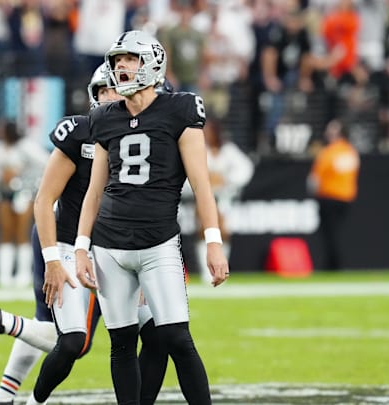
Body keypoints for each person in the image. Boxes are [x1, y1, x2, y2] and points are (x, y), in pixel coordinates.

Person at [0, 65, 173, 405]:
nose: (111, 97)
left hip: (116, 250)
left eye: (118, 90)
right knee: (74, 341)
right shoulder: (81, 134)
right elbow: (44, 201)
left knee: (156, 331)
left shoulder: (149, 139)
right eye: (104, 90)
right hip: (68, 243)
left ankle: (3, 394)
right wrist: (53, 260)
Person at [74, 30, 229, 405]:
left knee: (177, 337)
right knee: (122, 344)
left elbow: (201, 184)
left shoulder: (180, 109)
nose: (121, 67)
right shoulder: (104, 118)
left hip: (159, 242)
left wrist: (213, 241)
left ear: (152, 62)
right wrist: (81, 246)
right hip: (109, 245)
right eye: (116, 61)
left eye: (129, 59)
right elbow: (94, 191)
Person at [191, 116, 254, 285]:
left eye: (209, 131)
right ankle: (206, 271)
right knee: (203, 231)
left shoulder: (228, 151)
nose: (206, 134)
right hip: (202, 199)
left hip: (224, 199)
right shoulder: (195, 149)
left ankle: (221, 270)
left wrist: (226, 180)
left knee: (223, 232)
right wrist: (203, 182)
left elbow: (246, 169)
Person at [0, 121, 48, 288]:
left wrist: (23, 174)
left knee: (22, 231)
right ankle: (4, 273)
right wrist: (0, 175)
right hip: (4, 194)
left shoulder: (27, 146)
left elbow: (45, 163)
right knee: (5, 230)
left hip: (23, 193)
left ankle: (23, 273)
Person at [307, 119, 360, 270]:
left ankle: (332, 265)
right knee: (336, 233)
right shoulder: (350, 151)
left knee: (329, 234)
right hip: (346, 197)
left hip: (329, 197)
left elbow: (314, 179)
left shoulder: (329, 152)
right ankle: (334, 263)